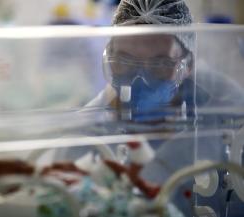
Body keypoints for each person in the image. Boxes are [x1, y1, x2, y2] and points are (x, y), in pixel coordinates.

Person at [85, 0, 244, 216]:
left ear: (187, 66)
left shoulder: (225, 117)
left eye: (159, 64)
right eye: (124, 60)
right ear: (108, 58)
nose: (139, 78)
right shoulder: (87, 132)